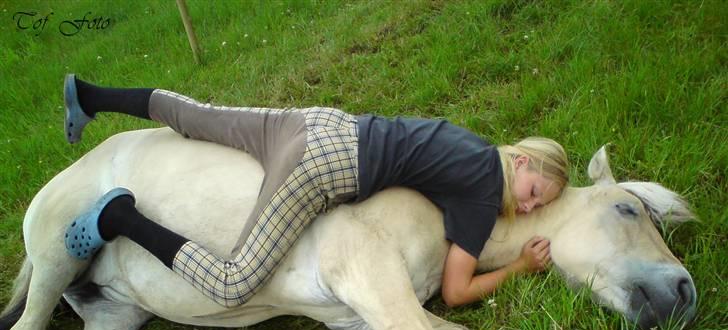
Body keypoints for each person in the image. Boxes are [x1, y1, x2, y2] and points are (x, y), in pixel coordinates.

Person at [63, 75, 568, 308]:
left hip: (320, 123)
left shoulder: (475, 147)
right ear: (521, 160)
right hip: (323, 166)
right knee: (233, 284)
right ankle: (120, 220)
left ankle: (90, 96)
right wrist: (519, 266)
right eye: (532, 190)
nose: (525, 206)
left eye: (535, 206)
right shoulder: (484, 192)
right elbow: (457, 292)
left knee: (194, 116)